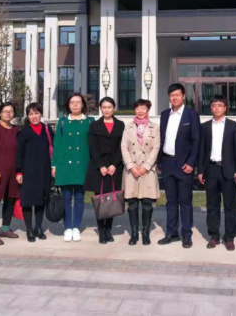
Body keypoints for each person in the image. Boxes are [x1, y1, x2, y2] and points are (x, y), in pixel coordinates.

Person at [157, 83, 200, 249]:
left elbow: (196, 141)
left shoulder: (191, 115)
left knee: (185, 201)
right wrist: (160, 161)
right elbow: (162, 138)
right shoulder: (165, 114)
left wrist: (191, 163)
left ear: (183, 96)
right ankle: (171, 232)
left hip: (184, 165)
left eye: (177, 95)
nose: (174, 98)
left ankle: (186, 234)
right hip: (167, 163)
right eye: (171, 95)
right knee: (170, 201)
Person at [197, 96, 236, 251]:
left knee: (230, 206)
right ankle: (214, 235)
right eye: (214, 105)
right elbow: (202, 150)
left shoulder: (233, 126)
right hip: (211, 169)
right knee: (212, 205)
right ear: (211, 108)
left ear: (225, 108)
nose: (217, 108)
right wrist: (200, 171)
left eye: (220, 105)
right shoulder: (205, 127)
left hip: (228, 170)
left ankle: (229, 237)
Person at [52, 93, 94, 242]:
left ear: (83, 105)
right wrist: (54, 165)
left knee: (80, 197)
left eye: (78, 102)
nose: (75, 105)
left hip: (82, 163)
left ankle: (76, 226)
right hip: (65, 164)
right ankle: (67, 227)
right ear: (68, 105)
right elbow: (57, 145)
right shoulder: (63, 122)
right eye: (72, 102)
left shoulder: (89, 121)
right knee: (66, 197)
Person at [84, 97, 125, 244]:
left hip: (115, 167)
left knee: (112, 199)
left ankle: (109, 230)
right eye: (104, 107)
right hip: (99, 167)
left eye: (109, 107)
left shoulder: (120, 125)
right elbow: (92, 147)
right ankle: (101, 232)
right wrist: (101, 165)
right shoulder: (95, 125)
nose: (107, 110)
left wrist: (114, 164)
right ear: (101, 109)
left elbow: (122, 146)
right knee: (101, 200)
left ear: (114, 108)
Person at [121, 99, 160, 246]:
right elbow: (124, 147)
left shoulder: (154, 127)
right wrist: (131, 166)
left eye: (143, 108)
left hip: (147, 170)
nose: (140, 111)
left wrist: (146, 166)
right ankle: (134, 233)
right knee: (132, 203)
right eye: (138, 108)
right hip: (131, 170)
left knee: (147, 203)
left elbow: (156, 148)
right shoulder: (128, 127)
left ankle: (145, 233)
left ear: (148, 110)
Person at [16, 102, 54, 243]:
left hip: (44, 171)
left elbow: (54, 148)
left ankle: (38, 228)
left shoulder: (47, 130)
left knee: (40, 200)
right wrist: (19, 172)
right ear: (27, 116)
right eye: (31, 114)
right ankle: (29, 229)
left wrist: (54, 167)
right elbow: (18, 154)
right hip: (28, 171)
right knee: (28, 201)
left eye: (36, 113)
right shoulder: (23, 132)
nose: (34, 116)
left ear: (41, 114)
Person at [0, 101, 21, 246]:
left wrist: (19, 171)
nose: (8, 113)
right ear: (0, 113)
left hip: (13, 172)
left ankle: (5, 228)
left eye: (11, 111)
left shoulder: (16, 130)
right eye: (5, 111)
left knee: (10, 199)